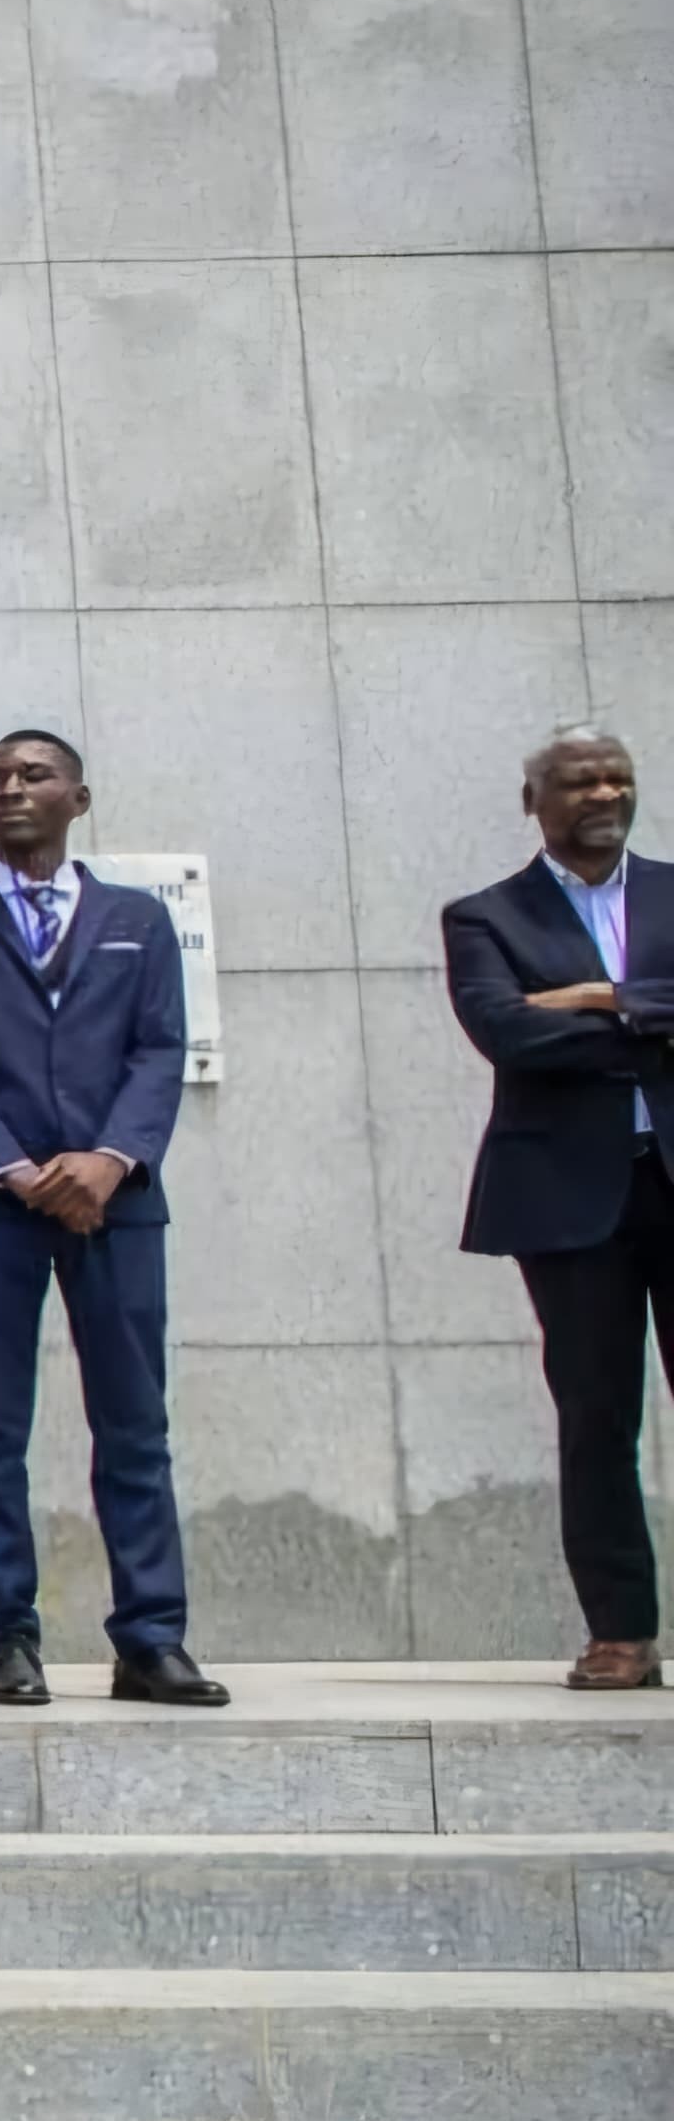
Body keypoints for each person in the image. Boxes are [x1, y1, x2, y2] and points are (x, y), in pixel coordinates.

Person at [0, 730, 220, 1710]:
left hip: (118, 1204)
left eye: (33, 775)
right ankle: (8, 1638)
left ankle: (151, 1638)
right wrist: (18, 1171)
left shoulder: (136, 920)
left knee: (133, 1422)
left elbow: (159, 1048)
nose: (10, 788)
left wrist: (110, 1158)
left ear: (79, 797)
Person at [444, 723, 674, 1691]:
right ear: (533, 800)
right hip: (569, 1202)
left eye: (617, 778)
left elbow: (550, 1026)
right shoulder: (485, 916)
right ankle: (620, 1632)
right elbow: (504, 1032)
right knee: (594, 1417)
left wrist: (593, 997)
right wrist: (648, 1017)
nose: (603, 795)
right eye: (580, 782)